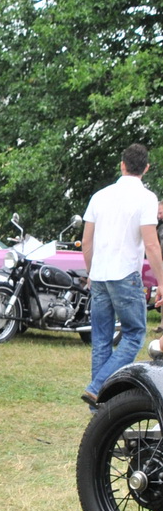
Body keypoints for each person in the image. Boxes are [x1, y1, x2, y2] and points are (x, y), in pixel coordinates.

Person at [81, 142, 163, 405]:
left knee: (101, 339)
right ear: (146, 168)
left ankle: (100, 408)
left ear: (122, 165)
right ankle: (98, 387)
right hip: (126, 273)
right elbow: (151, 244)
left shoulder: (100, 196)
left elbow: (86, 242)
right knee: (134, 333)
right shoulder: (147, 198)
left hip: (100, 274)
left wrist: (91, 271)